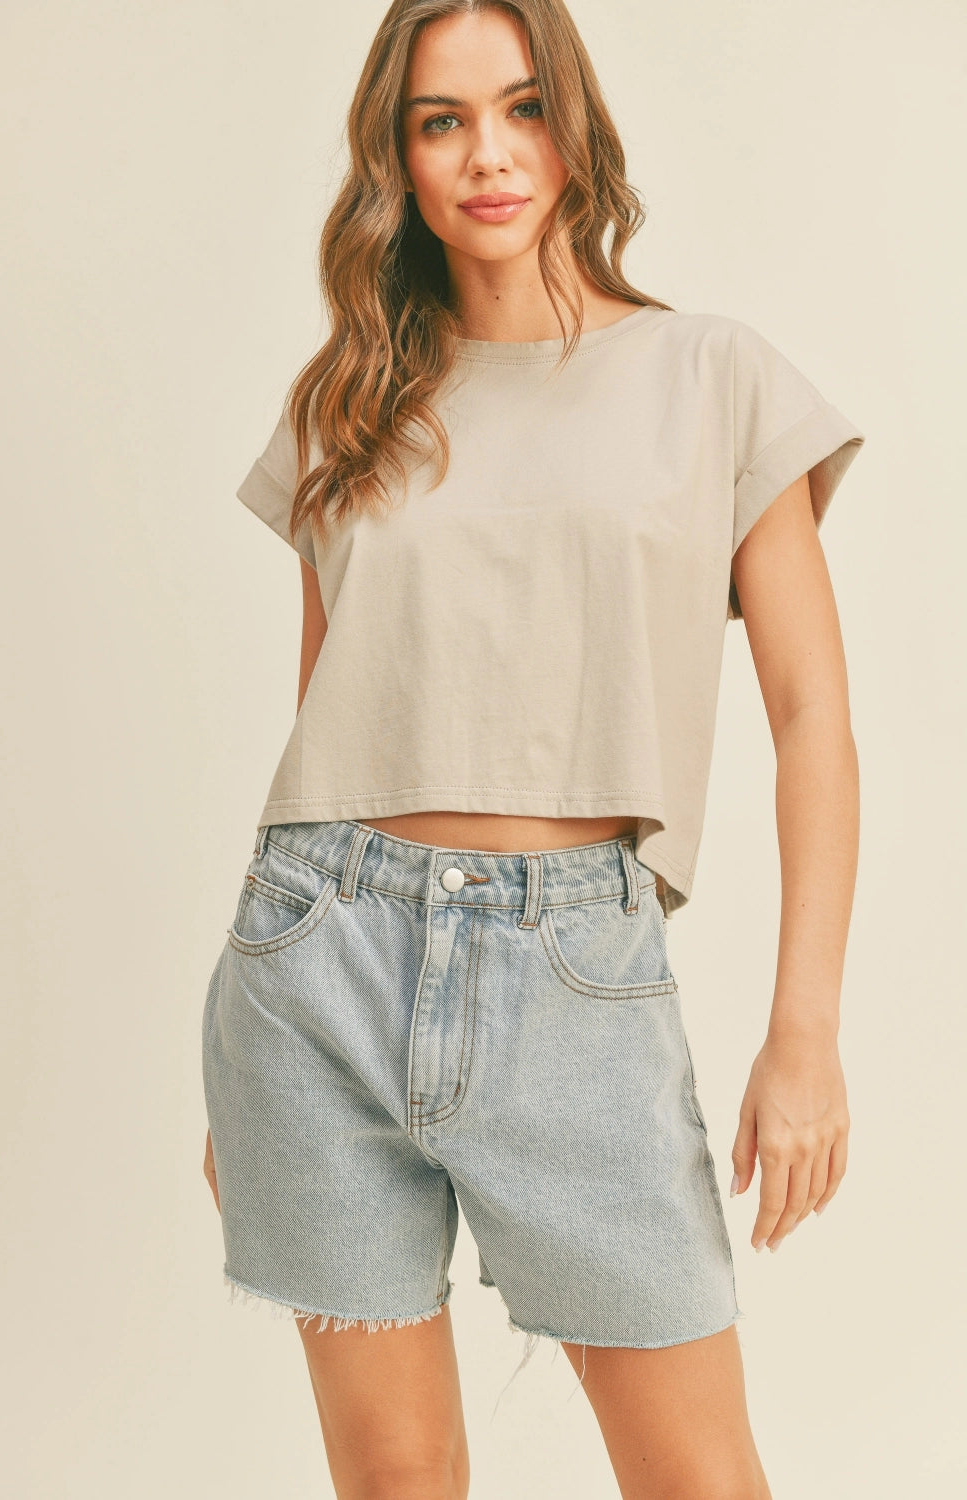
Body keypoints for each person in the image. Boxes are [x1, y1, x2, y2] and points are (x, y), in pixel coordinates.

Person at [201, 2, 863, 1496]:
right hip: (314, 963)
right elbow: (324, 732)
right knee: (394, 1483)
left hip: (574, 973)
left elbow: (813, 718)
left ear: (576, 125)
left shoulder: (715, 378)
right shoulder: (346, 407)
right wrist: (237, 1070)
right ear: (398, 155)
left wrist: (803, 1031)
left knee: (698, 1478)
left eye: (521, 109)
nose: (487, 156)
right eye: (441, 122)